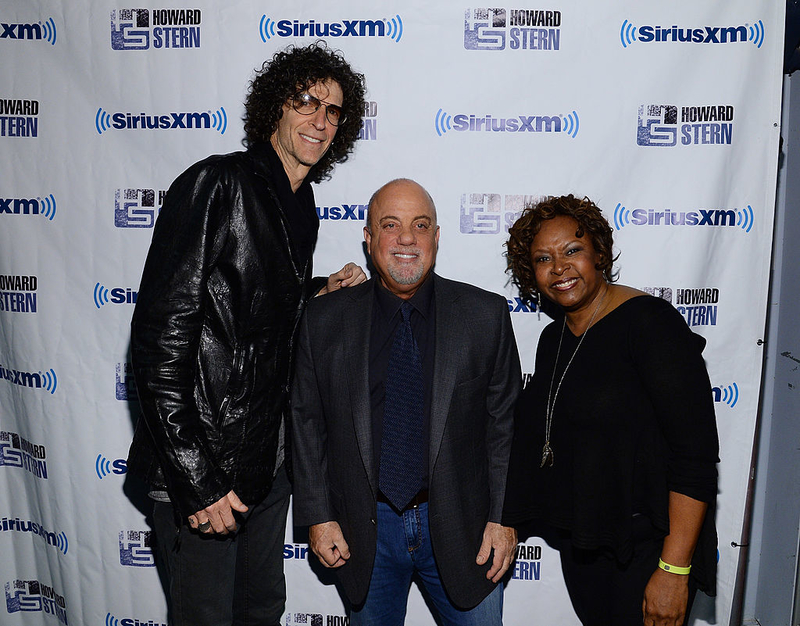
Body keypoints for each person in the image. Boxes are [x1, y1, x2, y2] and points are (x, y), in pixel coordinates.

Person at [126, 42, 367, 626]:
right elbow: (161, 341)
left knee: (261, 610)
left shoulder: (301, 204)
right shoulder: (217, 183)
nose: (320, 119)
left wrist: (317, 291)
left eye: (333, 111)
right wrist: (197, 481)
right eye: (307, 101)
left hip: (264, 463)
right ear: (274, 109)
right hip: (202, 465)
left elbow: (251, 308)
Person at [290, 178, 522, 625]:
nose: (406, 239)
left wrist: (503, 518)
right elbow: (306, 421)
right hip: (362, 530)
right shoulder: (323, 319)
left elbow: (506, 427)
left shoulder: (484, 315)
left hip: (465, 528)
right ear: (369, 237)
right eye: (390, 225)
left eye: (420, 225)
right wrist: (319, 516)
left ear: (436, 237)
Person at [503, 194, 719, 626]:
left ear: (599, 252)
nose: (559, 268)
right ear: (532, 273)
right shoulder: (553, 340)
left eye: (572, 251)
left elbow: (694, 459)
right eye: (544, 258)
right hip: (585, 548)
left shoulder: (651, 325)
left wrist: (674, 570)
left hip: (648, 553)